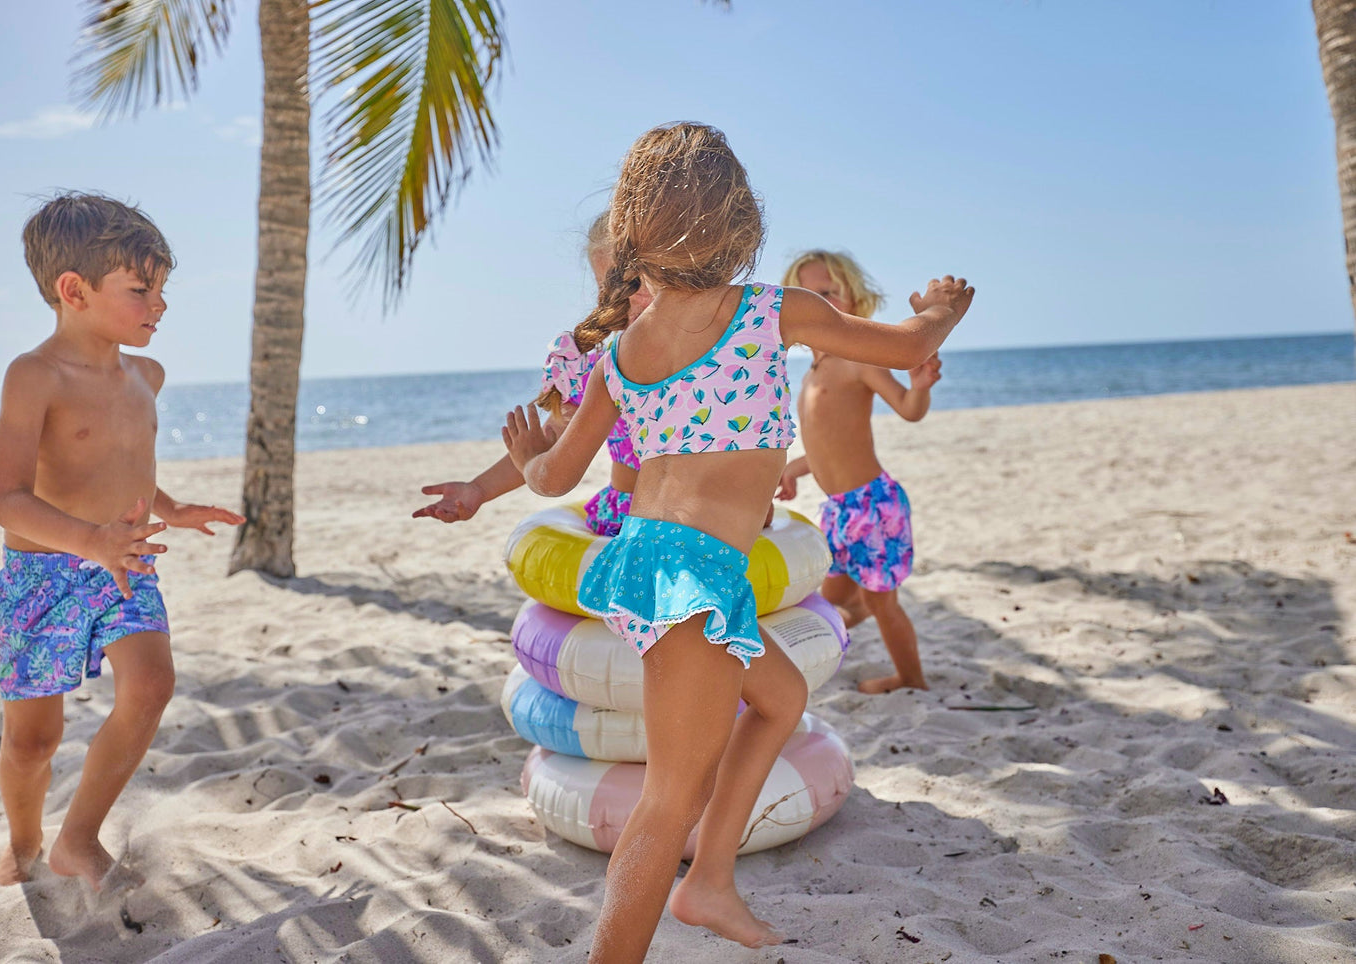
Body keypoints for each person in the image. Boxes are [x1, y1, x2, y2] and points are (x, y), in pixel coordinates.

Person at [502, 122, 973, 962]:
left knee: (781, 699)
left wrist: (528, 459)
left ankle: (709, 881)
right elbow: (907, 347)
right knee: (668, 800)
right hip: (690, 578)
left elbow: (554, 478)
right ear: (739, 222)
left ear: (633, 231)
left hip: (652, 562)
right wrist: (941, 308)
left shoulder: (620, 351)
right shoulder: (768, 311)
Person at [0, 192, 244, 889]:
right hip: (41, 577)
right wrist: (87, 540)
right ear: (74, 291)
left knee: (152, 684)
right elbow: (5, 497)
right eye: (140, 290)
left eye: (163, 289)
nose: (158, 305)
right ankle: (23, 838)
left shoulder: (145, 376)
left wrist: (171, 505)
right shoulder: (34, 376)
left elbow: (120, 463)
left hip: (122, 563)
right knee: (33, 740)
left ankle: (77, 839)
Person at [412, 212, 651, 534]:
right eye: (607, 289)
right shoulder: (596, 371)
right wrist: (479, 489)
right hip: (629, 516)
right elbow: (549, 441)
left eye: (634, 284)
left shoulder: (717, 363)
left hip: (705, 514)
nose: (621, 301)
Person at [775, 250, 942, 694]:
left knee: (883, 604)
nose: (820, 304)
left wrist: (920, 387)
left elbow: (908, 409)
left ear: (853, 301)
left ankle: (912, 679)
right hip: (838, 510)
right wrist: (796, 466)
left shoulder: (858, 359)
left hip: (873, 504)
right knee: (829, 604)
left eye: (829, 293)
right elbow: (829, 443)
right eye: (808, 295)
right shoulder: (812, 371)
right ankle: (853, 621)